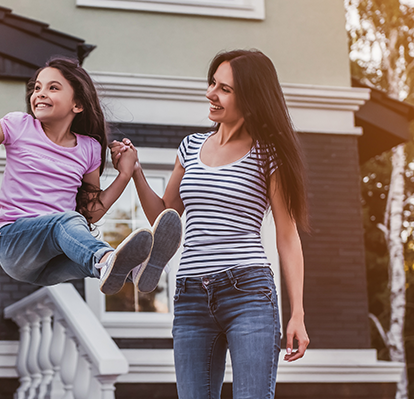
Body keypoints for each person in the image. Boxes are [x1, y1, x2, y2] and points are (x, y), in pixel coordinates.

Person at [113, 49, 311, 399]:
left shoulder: (268, 154)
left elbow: (287, 235)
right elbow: (165, 218)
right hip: (190, 295)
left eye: (224, 89)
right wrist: (135, 172)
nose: (210, 94)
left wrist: (297, 313)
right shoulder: (190, 147)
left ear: (250, 100)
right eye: (212, 83)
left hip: (248, 291)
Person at [0, 57, 183, 294]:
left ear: (78, 104)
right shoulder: (18, 126)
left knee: (86, 253)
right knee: (68, 225)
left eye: (52, 88)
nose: (40, 93)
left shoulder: (89, 148)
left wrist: (125, 174)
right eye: (37, 87)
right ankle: (107, 259)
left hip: (52, 259)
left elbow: (90, 212)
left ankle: (138, 269)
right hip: (14, 243)